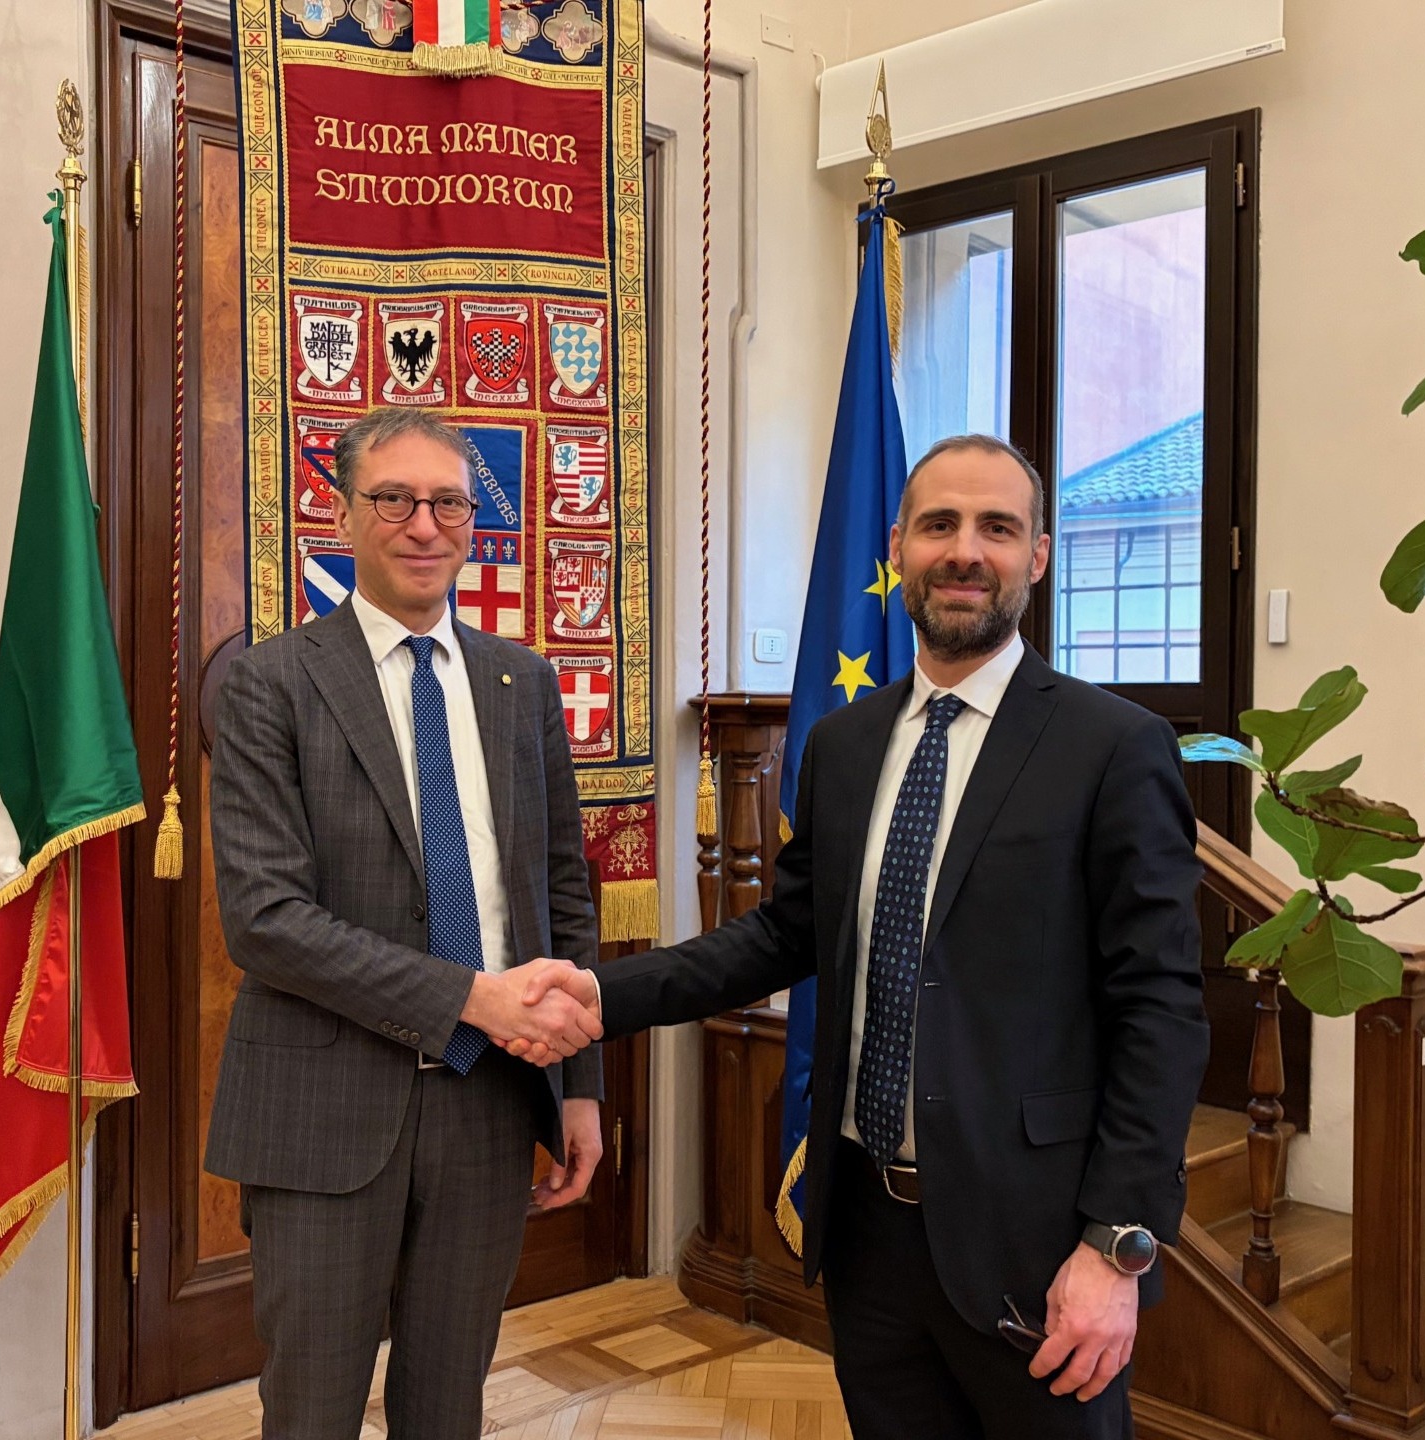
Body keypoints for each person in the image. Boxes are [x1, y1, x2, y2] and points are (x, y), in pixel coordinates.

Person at [517, 435, 1209, 1439]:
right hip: (866, 1233)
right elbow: (782, 935)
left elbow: (1161, 1010)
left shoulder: (1111, 747)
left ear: (1038, 556)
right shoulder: (843, 746)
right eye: (938, 525)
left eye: (996, 528)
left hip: (1035, 1239)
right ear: (898, 547)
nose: (963, 550)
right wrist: (598, 998)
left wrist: (1113, 1247)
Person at [205, 407, 604, 1440]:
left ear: (475, 521)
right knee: (312, 1412)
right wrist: (468, 996)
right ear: (342, 515)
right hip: (322, 1111)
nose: (423, 525)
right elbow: (265, 920)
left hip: (487, 1107)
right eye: (394, 499)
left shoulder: (523, 682)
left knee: (447, 1406)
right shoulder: (268, 683)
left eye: (448, 503)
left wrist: (579, 1089)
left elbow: (562, 893)